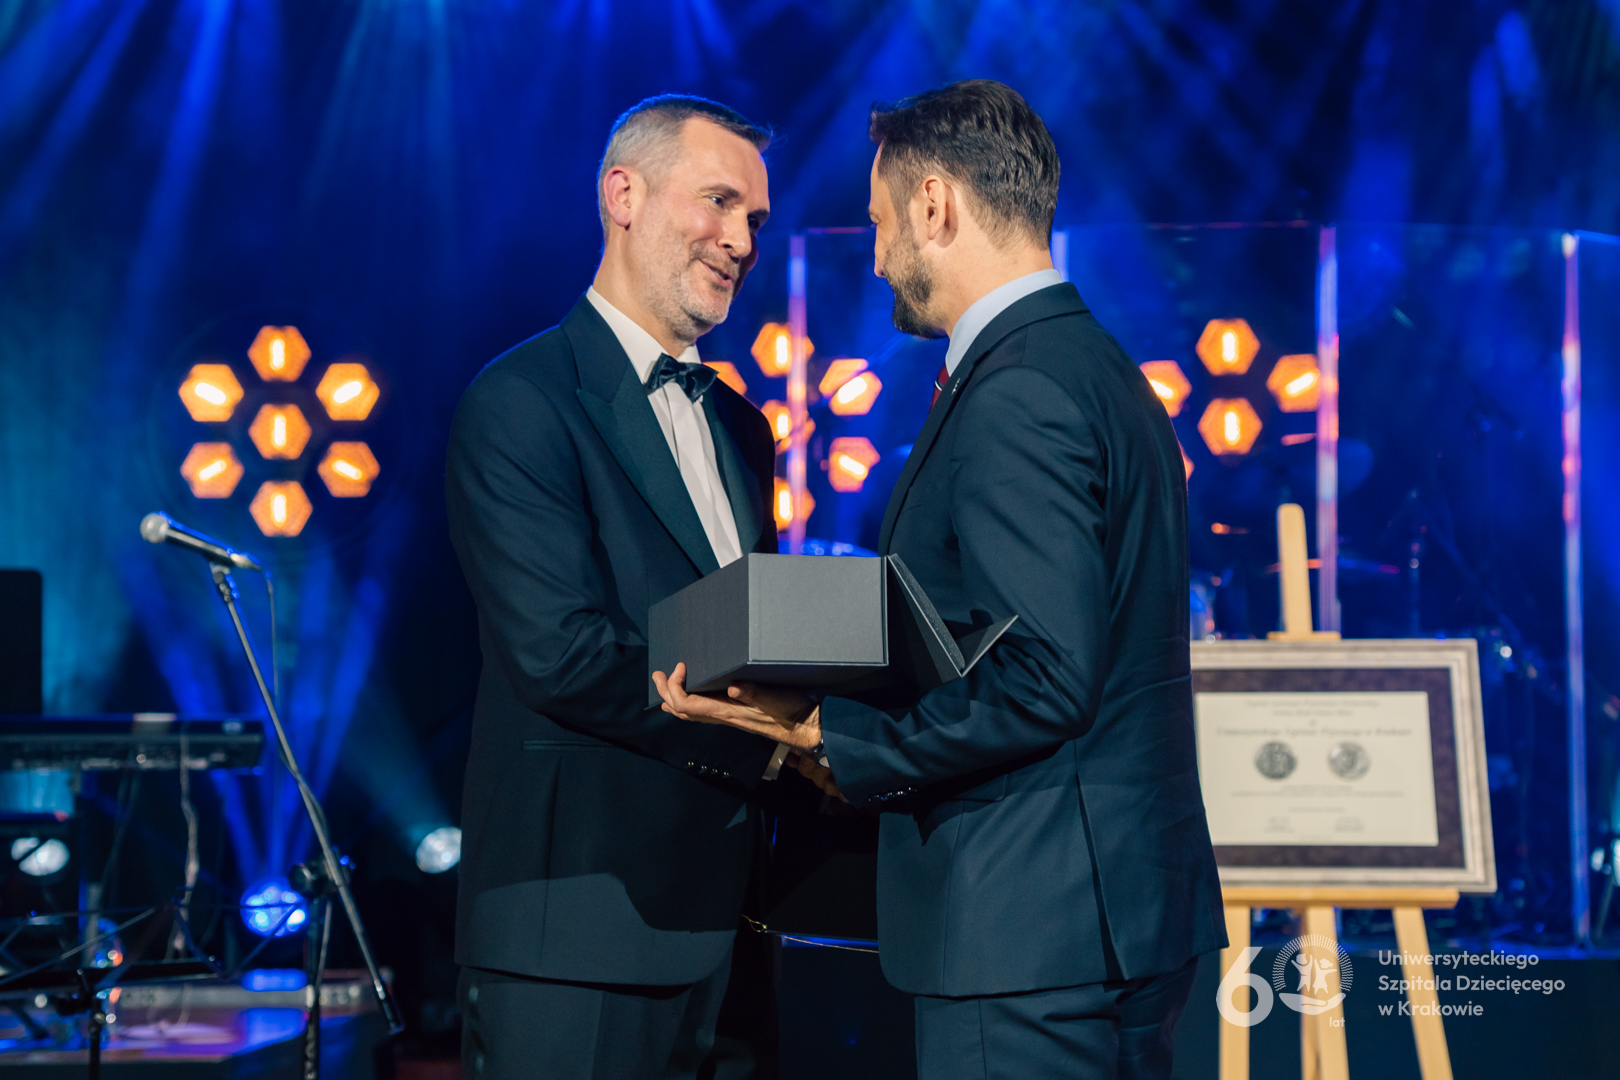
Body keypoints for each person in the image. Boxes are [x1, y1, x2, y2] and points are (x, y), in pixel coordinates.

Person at [654, 80, 1226, 1079]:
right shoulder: (1099, 369)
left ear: (934, 205)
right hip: (1111, 917)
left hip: (1028, 931)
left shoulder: (1020, 390)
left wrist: (832, 735)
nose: (877, 258)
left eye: (879, 224)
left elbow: (1045, 678)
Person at [446, 94, 784, 1079]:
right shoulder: (520, 399)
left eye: (755, 219)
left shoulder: (742, 428)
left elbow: (751, 630)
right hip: (576, 929)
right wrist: (772, 736)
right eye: (718, 202)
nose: (741, 241)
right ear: (623, 196)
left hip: (734, 926)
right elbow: (560, 654)